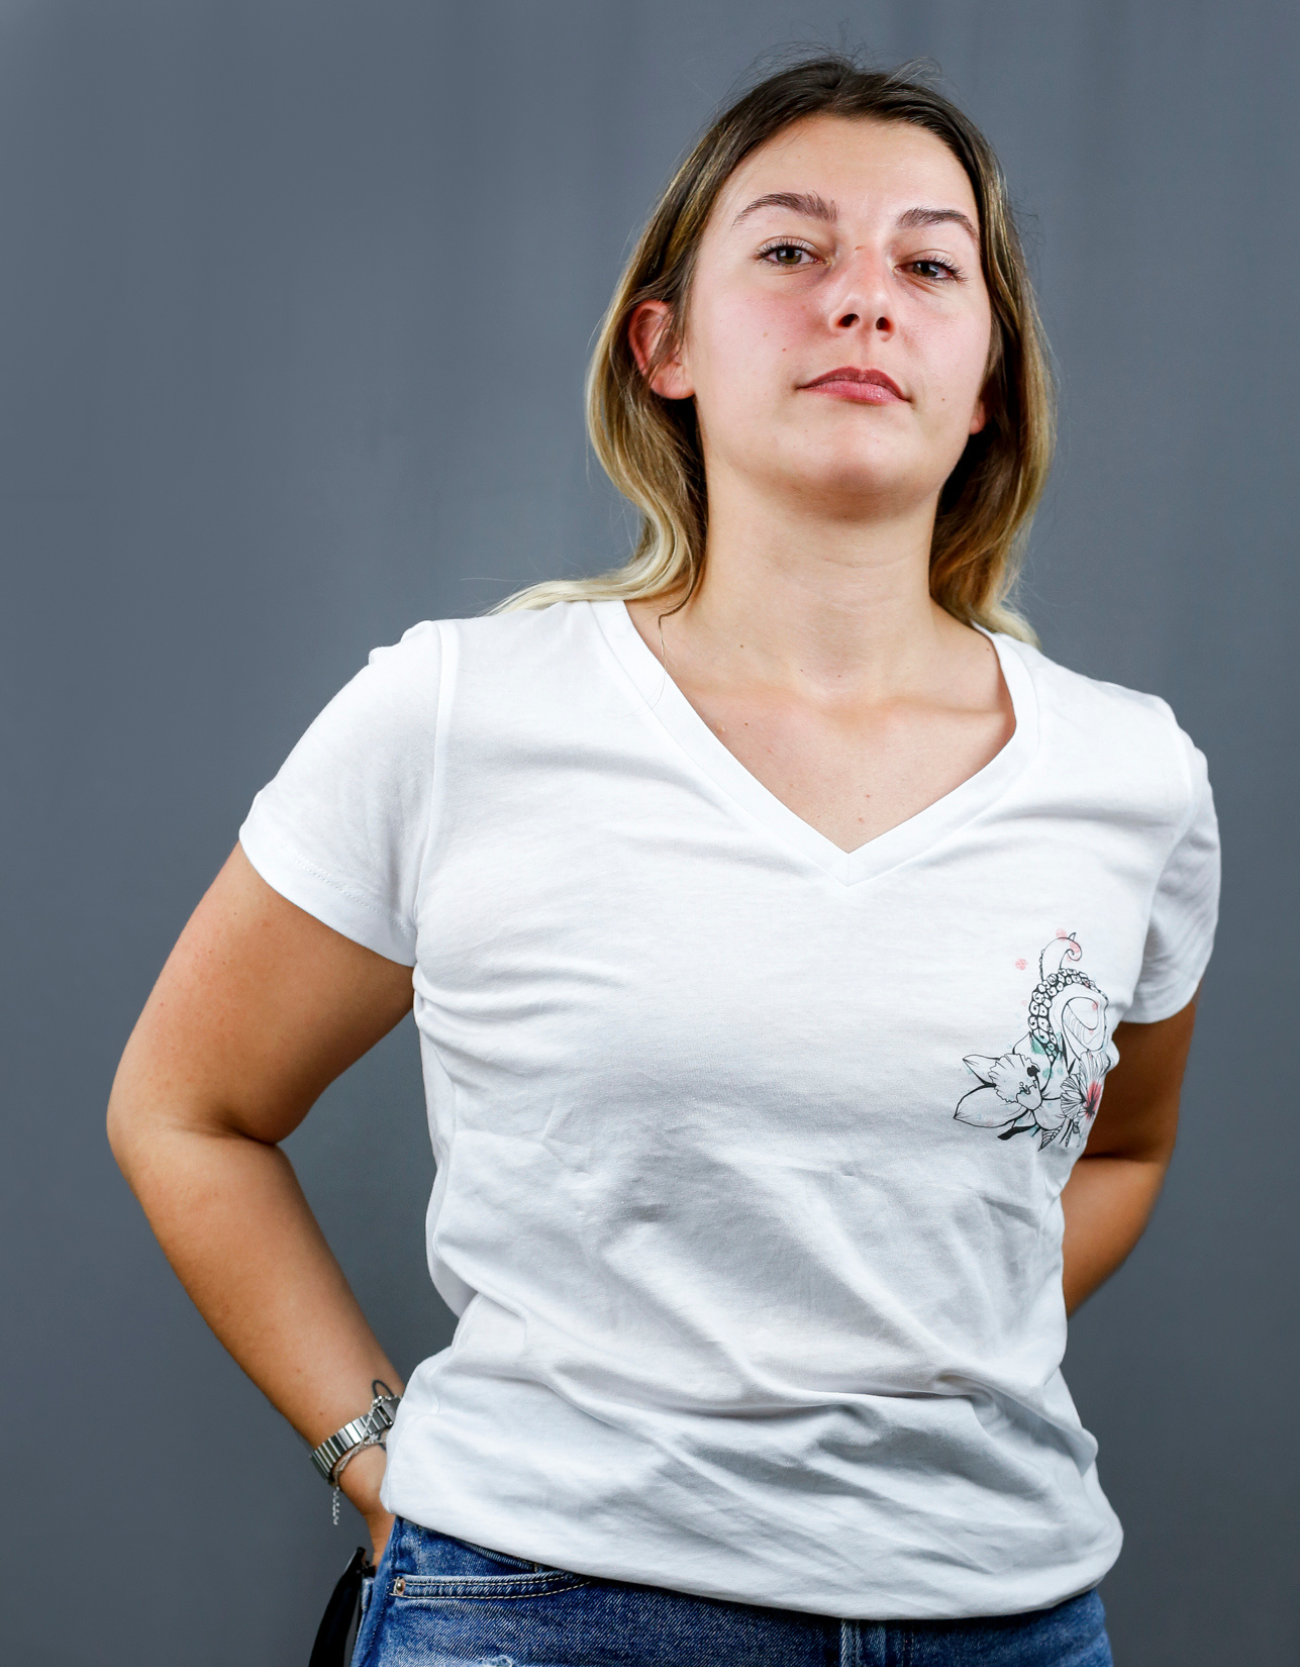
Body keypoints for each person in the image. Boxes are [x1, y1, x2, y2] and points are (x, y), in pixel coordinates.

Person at [108, 55, 1220, 1667]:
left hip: (1013, 1620)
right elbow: (185, 1108)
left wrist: (913, 1321)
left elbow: (1118, 1153)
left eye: (927, 263)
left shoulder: (1133, 775)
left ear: (989, 378)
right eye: (789, 251)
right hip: (540, 1610)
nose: (863, 303)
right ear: (666, 344)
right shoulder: (459, 711)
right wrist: (378, 1459)